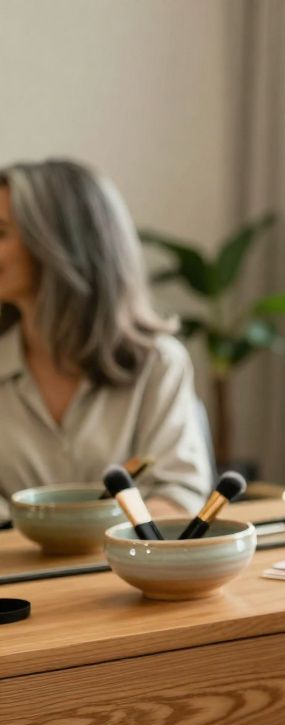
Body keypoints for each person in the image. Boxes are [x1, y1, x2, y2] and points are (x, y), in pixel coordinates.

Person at [0, 159, 211, 520]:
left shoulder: (159, 364)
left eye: (0, 232)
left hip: (128, 573)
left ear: (57, 243)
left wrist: (73, 535)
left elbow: (178, 496)